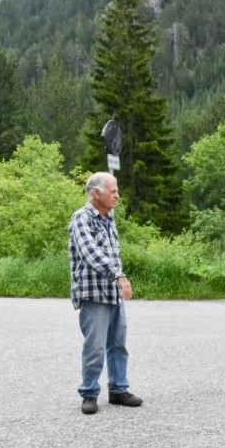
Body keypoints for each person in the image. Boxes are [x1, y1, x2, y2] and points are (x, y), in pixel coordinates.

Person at [68, 172, 143, 415]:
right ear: (95, 194)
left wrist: (117, 280)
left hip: (113, 294)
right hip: (93, 294)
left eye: (117, 190)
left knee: (118, 344)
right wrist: (119, 276)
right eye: (112, 191)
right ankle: (89, 393)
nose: (117, 195)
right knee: (95, 347)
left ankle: (118, 389)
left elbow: (113, 253)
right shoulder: (81, 219)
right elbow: (91, 253)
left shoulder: (109, 219)